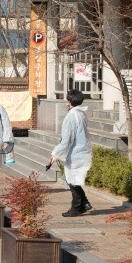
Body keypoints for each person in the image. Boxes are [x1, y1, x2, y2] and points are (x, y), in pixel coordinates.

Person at [50, 89, 93, 217]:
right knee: (73, 180)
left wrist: (55, 153)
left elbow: (67, 139)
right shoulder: (81, 113)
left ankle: (77, 207)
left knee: (72, 180)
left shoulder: (71, 116)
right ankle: (84, 203)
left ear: (69, 102)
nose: (65, 103)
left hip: (75, 152)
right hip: (82, 151)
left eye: (67, 100)